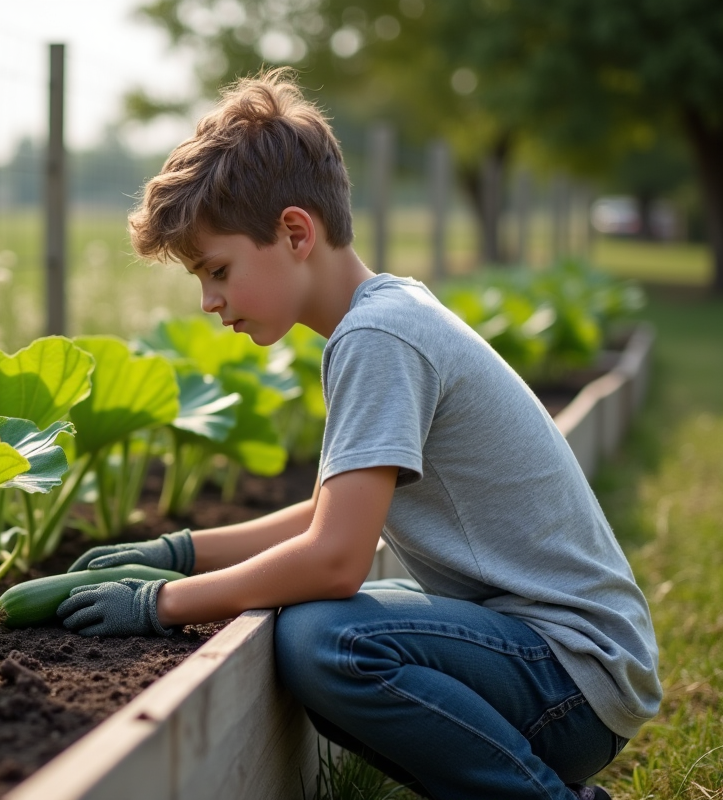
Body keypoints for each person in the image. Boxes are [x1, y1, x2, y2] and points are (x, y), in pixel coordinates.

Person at [54, 69, 660, 800]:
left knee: (327, 641)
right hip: (556, 663)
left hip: (570, 674)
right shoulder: (385, 315)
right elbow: (322, 518)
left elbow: (337, 562)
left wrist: (159, 603)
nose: (209, 301)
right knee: (323, 634)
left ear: (295, 232)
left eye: (217, 270)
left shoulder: (379, 337)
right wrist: (176, 552)